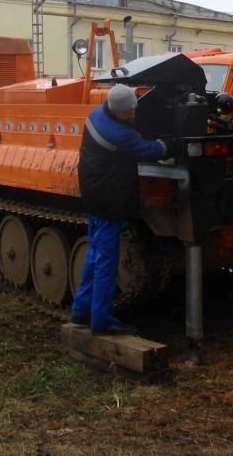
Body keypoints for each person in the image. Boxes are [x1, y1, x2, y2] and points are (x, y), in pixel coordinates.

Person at [70, 84, 171, 335]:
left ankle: (80, 310)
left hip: (93, 194)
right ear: (117, 112)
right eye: (129, 114)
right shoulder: (118, 133)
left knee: (94, 255)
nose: (133, 117)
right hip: (108, 200)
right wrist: (166, 145)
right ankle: (101, 321)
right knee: (106, 260)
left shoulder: (96, 114)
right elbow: (146, 151)